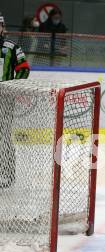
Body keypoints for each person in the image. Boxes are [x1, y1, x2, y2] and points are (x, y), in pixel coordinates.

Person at [0, 12, 30, 187]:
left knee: (4, 137)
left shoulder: (11, 47)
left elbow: (24, 69)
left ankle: (7, 173)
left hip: (5, 100)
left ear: (3, 27)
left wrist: (12, 87)